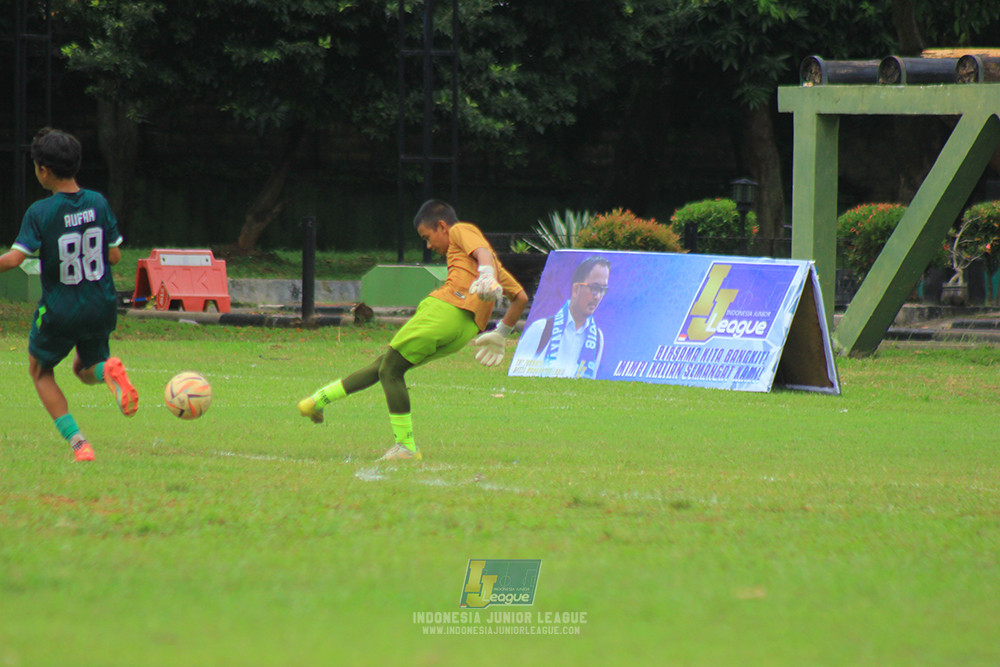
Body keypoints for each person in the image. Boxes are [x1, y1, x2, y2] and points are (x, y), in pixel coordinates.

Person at [297, 199, 529, 461]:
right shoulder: (491, 263)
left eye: (427, 237)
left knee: (390, 370)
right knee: (386, 365)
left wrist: (486, 275)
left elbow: (483, 254)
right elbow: (520, 297)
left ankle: (405, 447)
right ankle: (317, 402)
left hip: (444, 310)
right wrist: (502, 333)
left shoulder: (459, 230)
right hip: (463, 332)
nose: (429, 245)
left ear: (441, 226)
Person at [0, 127, 139, 462]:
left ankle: (79, 444)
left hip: (61, 308)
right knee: (85, 368)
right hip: (101, 304)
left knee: (40, 372)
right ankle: (108, 370)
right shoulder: (98, 202)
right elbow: (116, 256)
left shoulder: (40, 212)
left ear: (43, 170)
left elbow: (15, 259)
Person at [517, 255, 610, 379]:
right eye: (594, 288)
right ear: (576, 289)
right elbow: (516, 375)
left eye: (602, 290)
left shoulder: (598, 338)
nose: (598, 296)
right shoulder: (540, 329)